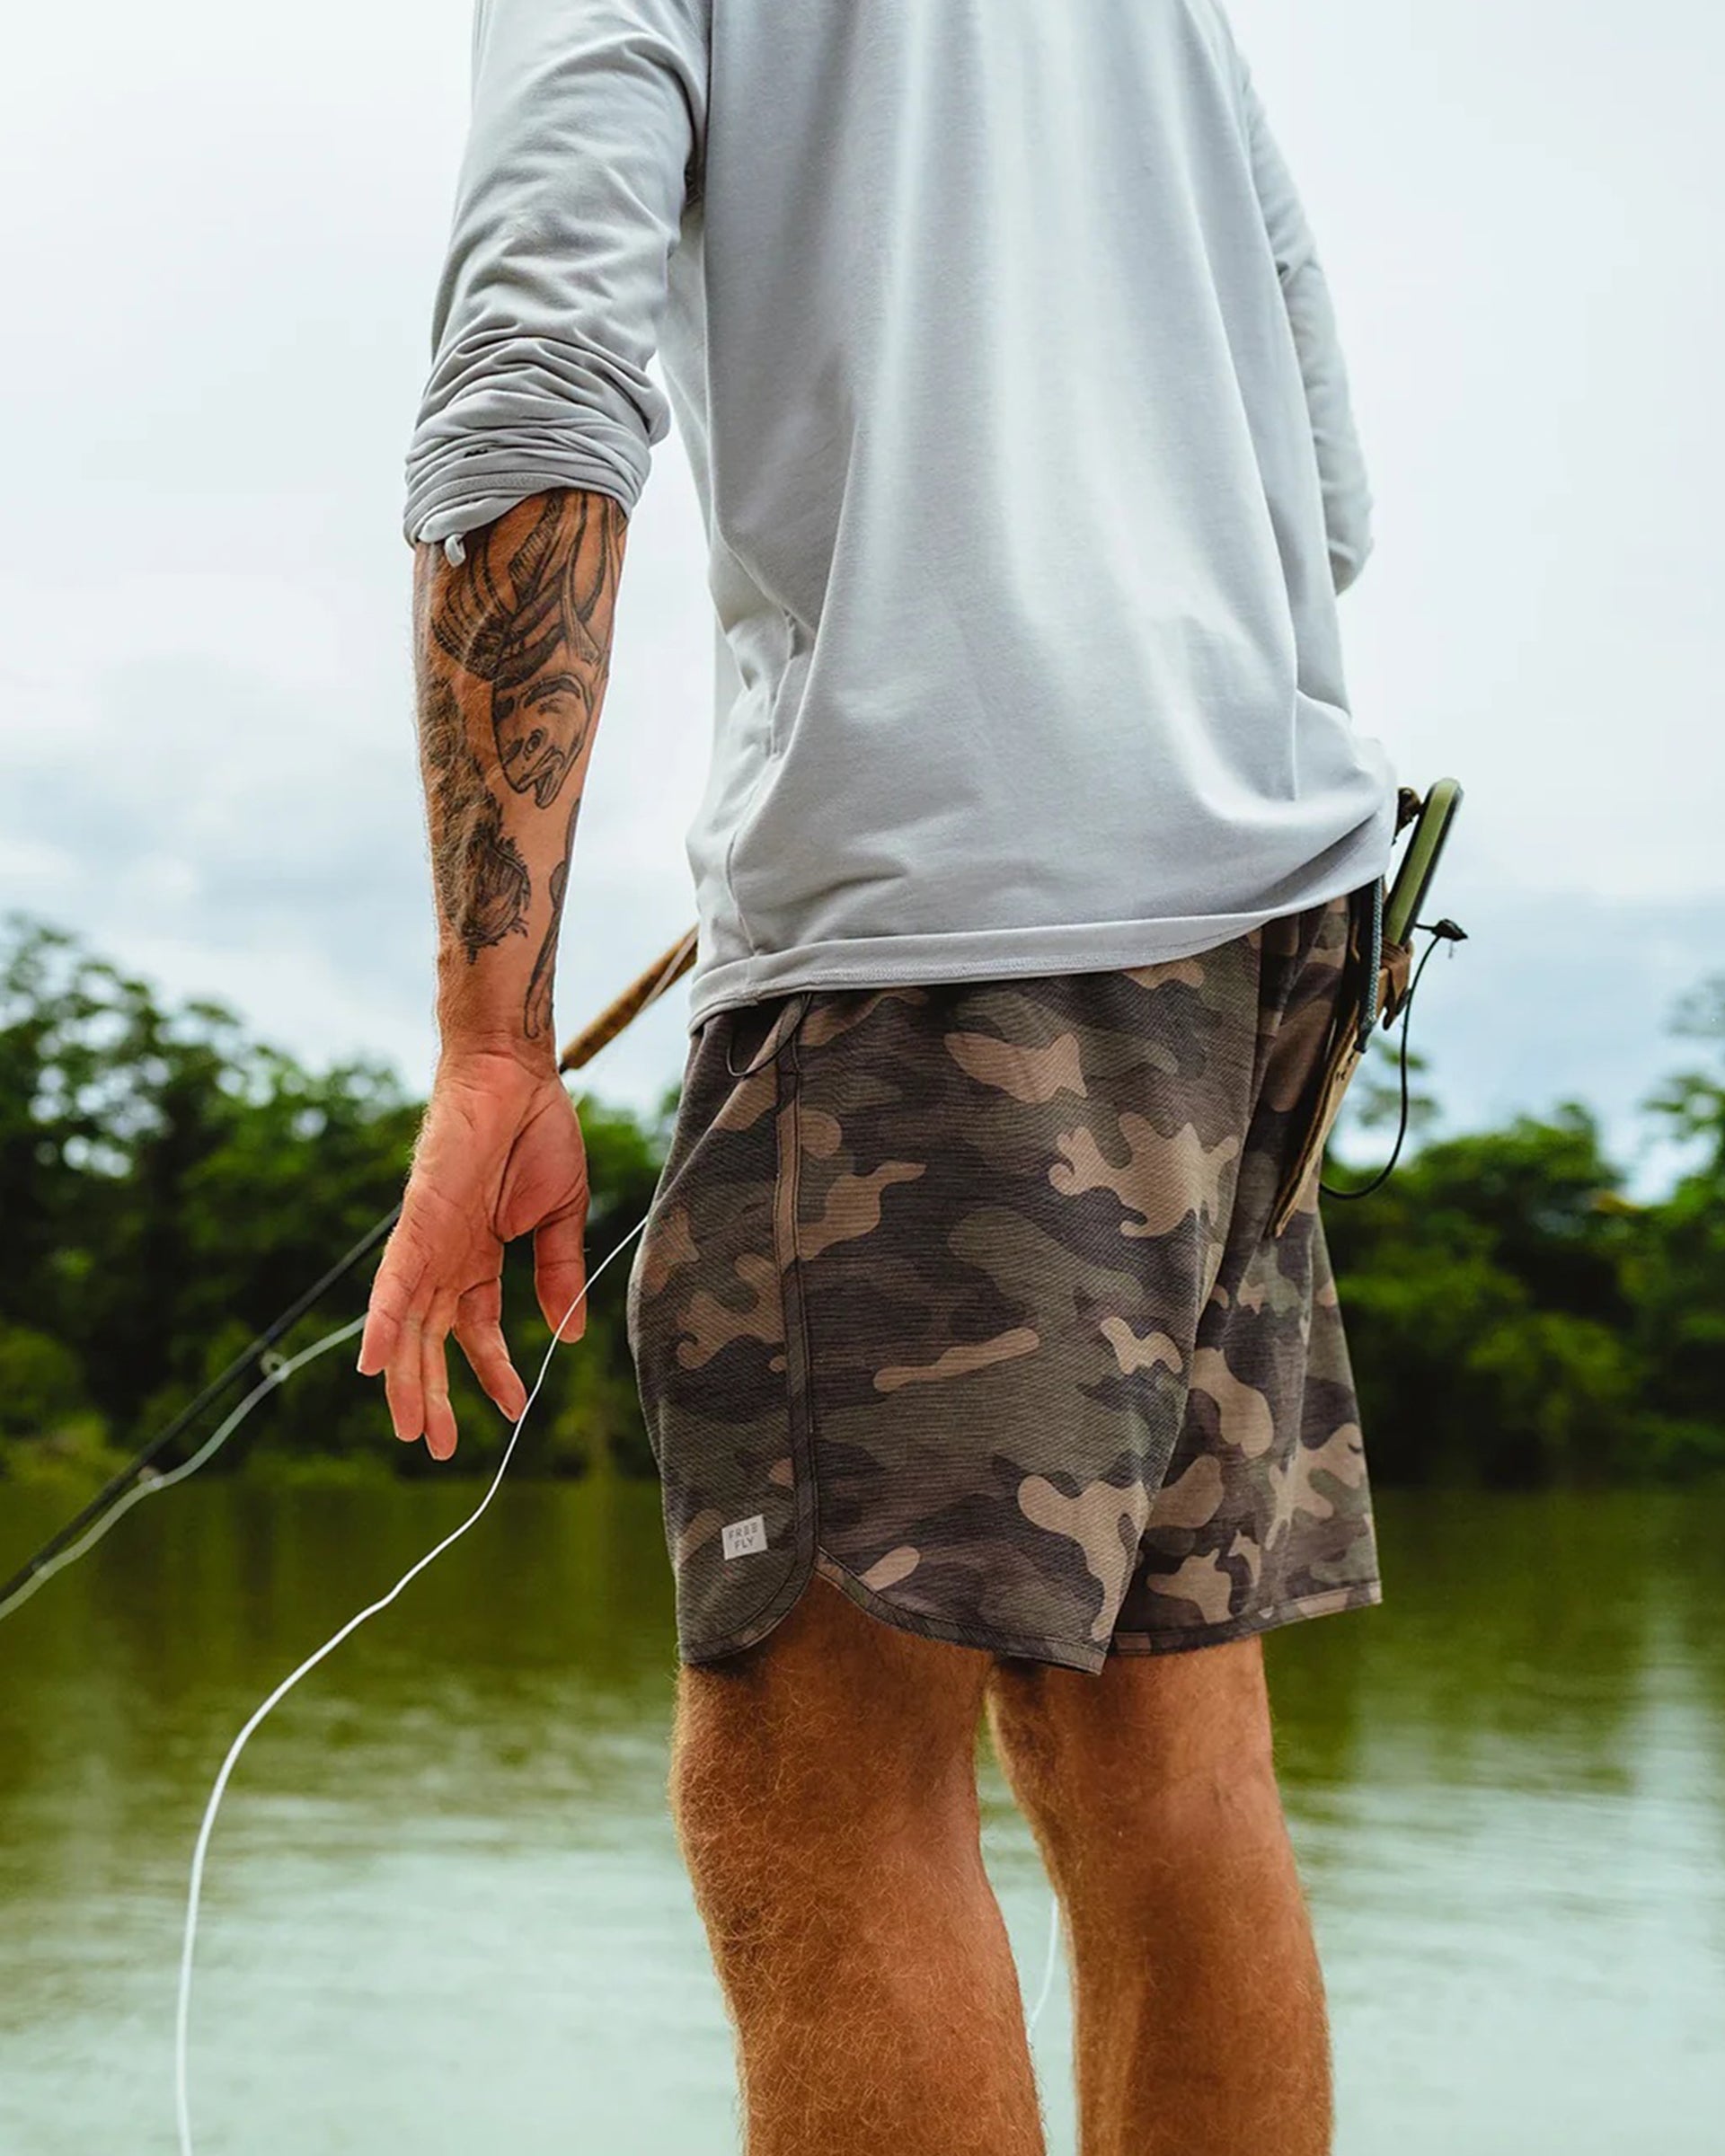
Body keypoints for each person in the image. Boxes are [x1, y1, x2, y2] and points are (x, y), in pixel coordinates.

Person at [357, 3, 1399, 2151]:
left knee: (816, 1774)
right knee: (1172, 1765)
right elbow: (1324, 472)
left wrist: (491, 1039)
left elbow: (535, 386)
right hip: (1273, 910)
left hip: (946, 927)